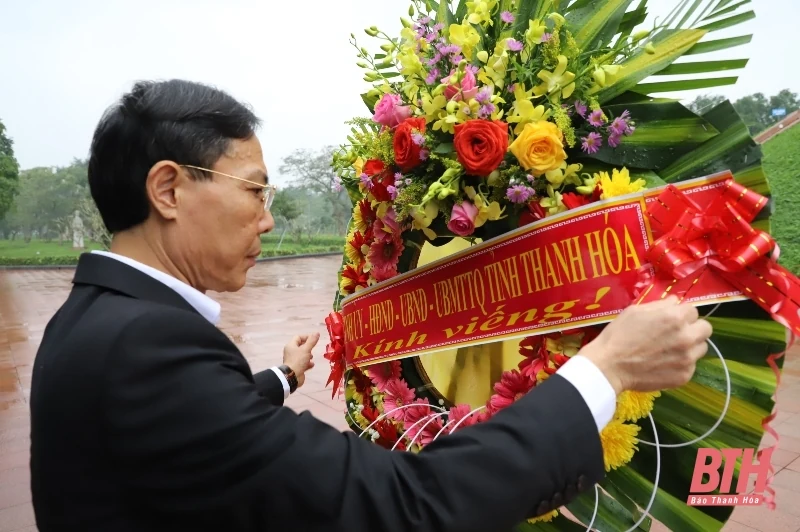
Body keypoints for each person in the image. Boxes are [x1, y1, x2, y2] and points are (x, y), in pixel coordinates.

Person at [29, 79, 713, 532]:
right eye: (255, 192)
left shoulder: (94, 319)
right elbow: (407, 504)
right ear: (169, 190)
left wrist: (284, 380)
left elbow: (201, 437)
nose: (267, 219)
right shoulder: (147, 348)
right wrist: (605, 370)